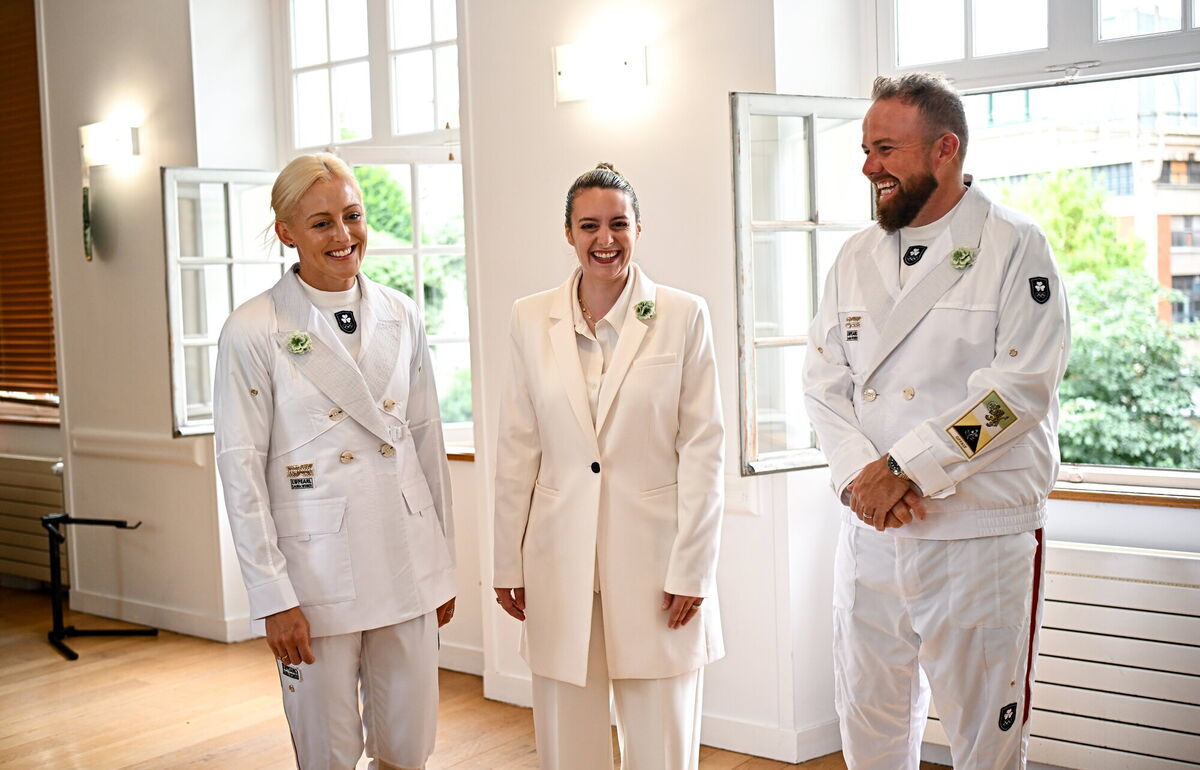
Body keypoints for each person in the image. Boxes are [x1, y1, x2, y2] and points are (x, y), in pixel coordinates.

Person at [803, 74, 1070, 769]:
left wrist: (906, 469)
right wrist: (860, 480)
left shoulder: (1015, 245)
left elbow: (1017, 393)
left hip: (977, 532)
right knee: (869, 722)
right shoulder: (854, 257)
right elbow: (824, 384)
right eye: (866, 150)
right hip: (871, 531)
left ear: (945, 149)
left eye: (886, 149)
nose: (869, 167)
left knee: (986, 738)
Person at [214, 153, 456, 770]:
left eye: (353, 216)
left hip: (405, 559)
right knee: (328, 753)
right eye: (321, 223)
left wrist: (441, 566)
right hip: (314, 574)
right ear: (286, 232)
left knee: (409, 747)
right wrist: (272, 596)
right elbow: (241, 469)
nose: (344, 235)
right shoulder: (253, 328)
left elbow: (425, 441)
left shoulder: (401, 313)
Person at [493, 163, 725, 769]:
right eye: (589, 225)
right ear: (568, 233)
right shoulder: (529, 318)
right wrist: (506, 559)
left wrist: (694, 569)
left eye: (618, 224)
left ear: (639, 229)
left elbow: (704, 449)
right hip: (556, 561)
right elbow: (518, 445)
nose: (605, 239)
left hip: (657, 565)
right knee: (568, 745)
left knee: (661, 746)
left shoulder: (683, 315)